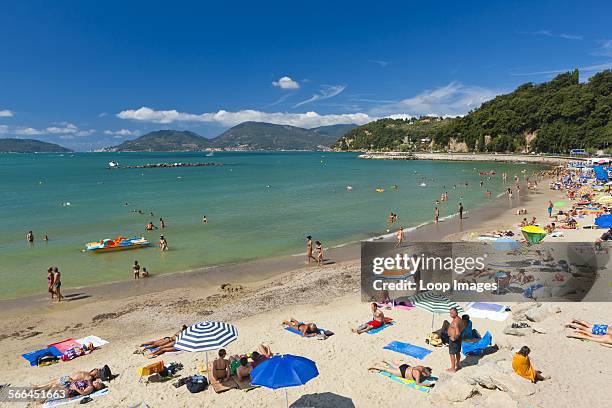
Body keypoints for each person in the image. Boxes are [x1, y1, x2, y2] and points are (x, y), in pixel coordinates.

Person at [369, 361, 434, 386]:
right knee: (387, 370)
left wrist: (428, 375)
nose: (427, 376)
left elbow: (426, 373)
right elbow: (417, 383)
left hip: (405, 366)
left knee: (394, 366)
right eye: (427, 375)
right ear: (424, 372)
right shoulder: (418, 373)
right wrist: (428, 385)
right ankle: (374, 367)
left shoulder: (421, 367)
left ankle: (385, 361)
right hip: (402, 373)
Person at [447, 307, 465, 373]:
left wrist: (454, 338)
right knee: (457, 352)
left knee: (452, 354)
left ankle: (453, 368)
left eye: (452, 313)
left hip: (454, 340)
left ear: (456, 313)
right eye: (450, 313)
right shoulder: (459, 319)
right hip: (459, 339)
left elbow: (458, 333)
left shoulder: (455, 322)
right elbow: (463, 327)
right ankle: (458, 364)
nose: (450, 314)